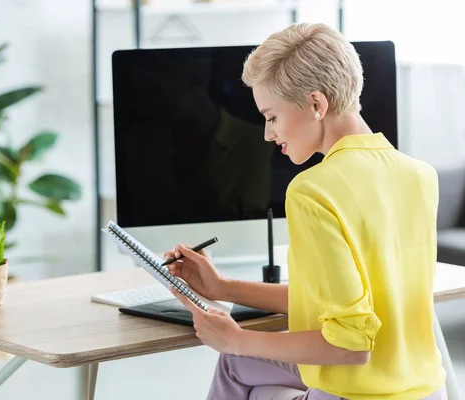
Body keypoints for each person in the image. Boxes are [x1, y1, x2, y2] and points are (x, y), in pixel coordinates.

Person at [165, 22, 447, 400]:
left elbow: (351, 344)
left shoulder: (312, 191)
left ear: (316, 104)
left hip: (356, 393)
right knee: (237, 364)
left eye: (272, 117)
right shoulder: (420, 176)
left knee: (236, 359)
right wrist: (222, 287)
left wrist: (236, 339)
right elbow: (339, 301)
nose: (268, 134)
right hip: (428, 390)